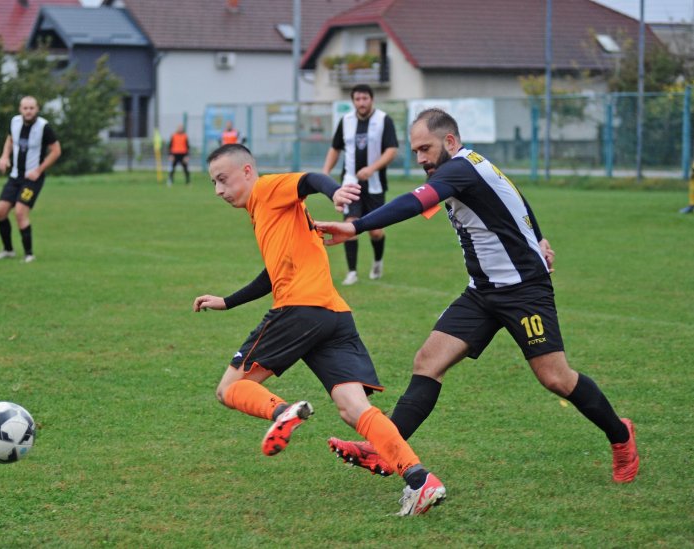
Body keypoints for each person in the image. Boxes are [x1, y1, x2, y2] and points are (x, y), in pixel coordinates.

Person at [315, 108, 639, 487]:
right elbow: (513, 194)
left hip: (523, 291)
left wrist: (356, 226)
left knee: (555, 377)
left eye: (426, 148)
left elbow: (414, 202)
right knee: (428, 360)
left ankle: (621, 436)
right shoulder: (468, 165)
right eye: (415, 151)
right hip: (482, 291)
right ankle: (386, 448)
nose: (420, 158)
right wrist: (538, 235)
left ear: (450, 142)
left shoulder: (459, 170)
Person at [193, 143, 446, 516]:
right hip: (333, 316)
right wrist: (227, 301)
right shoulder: (269, 214)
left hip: (298, 309)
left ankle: (282, 411)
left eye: (223, 180)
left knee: (228, 389)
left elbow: (308, 179)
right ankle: (420, 480)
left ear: (247, 171)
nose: (218, 191)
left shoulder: (267, 190)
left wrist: (335, 191)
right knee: (352, 407)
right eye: (213, 183)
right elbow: (272, 273)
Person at [322, 83, 398, 285]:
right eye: (358, 99)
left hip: (375, 184)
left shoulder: (383, 120)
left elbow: (391, 150)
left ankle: (377, 261)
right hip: (350, 183)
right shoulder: (345, 121)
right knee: (350, 225)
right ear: (353, 101)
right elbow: (335, 148)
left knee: (375, 231)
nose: (361, 103)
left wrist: (372, 168)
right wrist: (325, 173)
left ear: (371, 99)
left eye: (365, 98)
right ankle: (352, 272)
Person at [0, 96, 61, 263]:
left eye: (31, 108)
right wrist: (4, 156)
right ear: (20, 109)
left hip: (32, 179)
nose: (28, 111)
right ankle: (8, 250)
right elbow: (10, 139)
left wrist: (39, 170)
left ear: (37, 109)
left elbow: (56, 151)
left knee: (20, 212)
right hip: (15, 176)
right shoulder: (15, 122)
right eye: (25, 108)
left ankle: (29, 254)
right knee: (0, 212)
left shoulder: (44, 127)